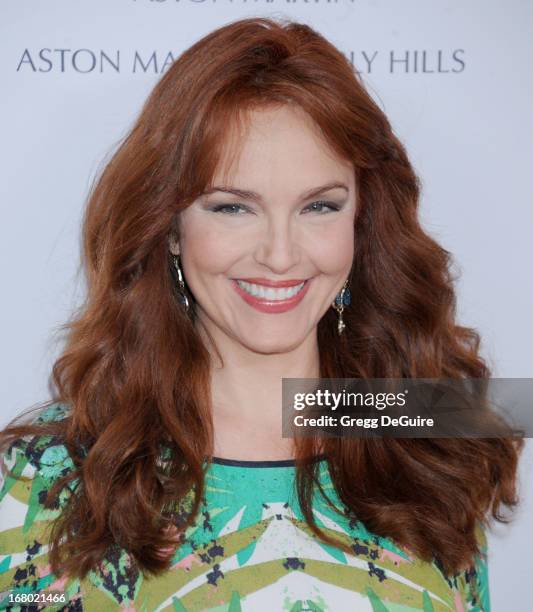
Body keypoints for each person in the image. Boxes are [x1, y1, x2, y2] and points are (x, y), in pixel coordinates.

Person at [0, 16, 523, 611]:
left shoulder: (428, 436)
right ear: (169, 227)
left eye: (319, 206)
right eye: (232, 208)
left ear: (362, 220)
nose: (280, 255)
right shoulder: (54, 475)